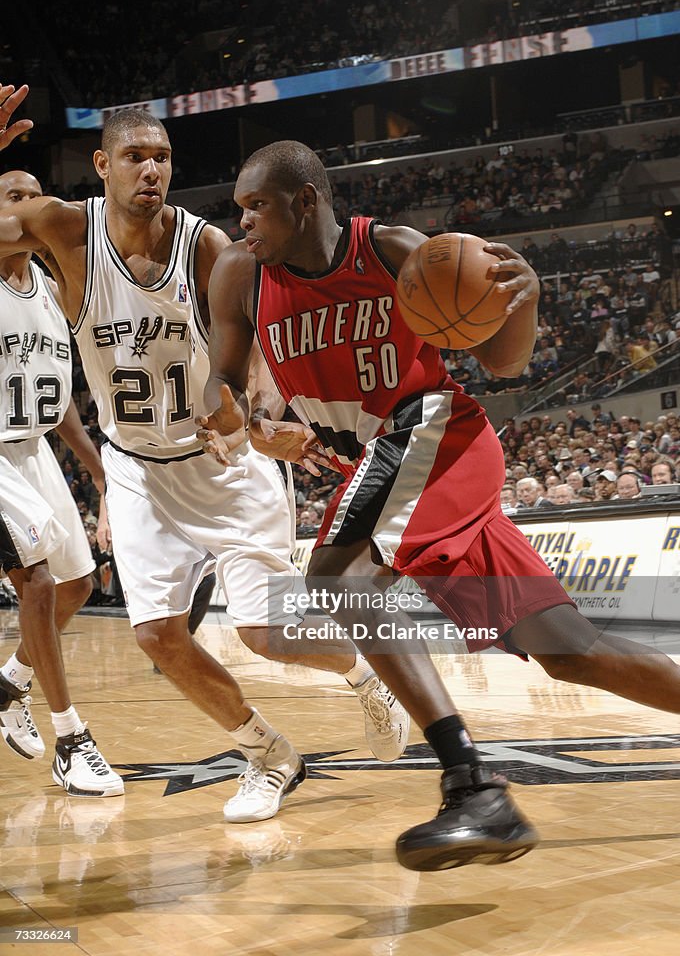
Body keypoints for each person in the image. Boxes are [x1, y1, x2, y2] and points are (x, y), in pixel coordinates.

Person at [201, 139, 680, 872]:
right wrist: (239, 417)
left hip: (435, 439)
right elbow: (225, 379)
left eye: (255, 206)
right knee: (570, 653)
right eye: (238, 209)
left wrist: (526, 299)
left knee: (337, 579)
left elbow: (503, 363)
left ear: (306, 201)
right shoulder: (240, 274)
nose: (242, 223)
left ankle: (472, 785)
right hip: (396, 469)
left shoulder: (392, 251)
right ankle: (478, 791)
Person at [0, 91, 407, 823]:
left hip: (221, 464)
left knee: (262, 633)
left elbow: (257, 347)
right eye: (134, 156)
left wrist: (255, 416)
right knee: (158, 636)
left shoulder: (207, 247)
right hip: (134, 468)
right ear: (102, 166)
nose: (151, 169)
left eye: (161, 157)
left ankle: (363, 672)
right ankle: (269, 754)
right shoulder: (63, 228)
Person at [0, 167, 122, 796]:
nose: (32, 208)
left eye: (35, 196)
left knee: (77, 583)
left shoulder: (47, 285)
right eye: (16, 198)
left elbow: (59, 393)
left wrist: (98, 469)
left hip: (36, 447)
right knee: (39, 584)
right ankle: (71, 740)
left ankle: (7, 684)